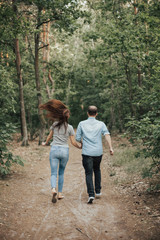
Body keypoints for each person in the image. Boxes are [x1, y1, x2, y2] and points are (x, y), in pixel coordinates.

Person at [39, 99, 81, 203]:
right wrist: (79, 146)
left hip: (54, 149)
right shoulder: (70, 127)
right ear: (67, 116)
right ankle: (60, 194)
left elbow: (49, 136)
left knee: (53, 173)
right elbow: (73, 142)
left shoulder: (54, 125)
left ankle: (53, 189)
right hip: (64, 151)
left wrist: (45, 143)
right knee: (61, 173)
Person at [76, 105, 114, 204]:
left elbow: (77, 138)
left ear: (87, 113)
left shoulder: (82, 123)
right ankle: (98, 191)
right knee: (97, 169)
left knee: (88, 173)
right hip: (98, 152)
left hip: (87, 152)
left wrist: (81, 143)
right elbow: (107, 135)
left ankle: (91, 194)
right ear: (96, 114)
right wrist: (110, 147)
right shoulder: (101, 124)